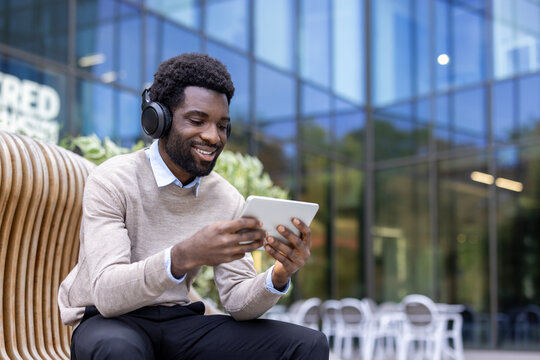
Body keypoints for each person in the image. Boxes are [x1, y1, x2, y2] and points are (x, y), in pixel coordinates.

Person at [58, 53, 329, 360]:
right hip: (111, 322)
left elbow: (237, 301)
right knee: (118, 350)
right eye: (198, 121)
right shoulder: (113, 180)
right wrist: (184, 255)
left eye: (222, 125)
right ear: (159, 119)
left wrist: (279, 274)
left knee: (306, 344)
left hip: (179, 324)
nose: (213, 137)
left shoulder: (226, 198)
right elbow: (107, 293)